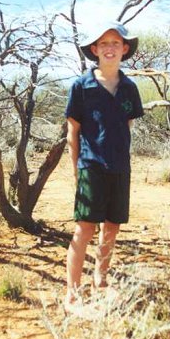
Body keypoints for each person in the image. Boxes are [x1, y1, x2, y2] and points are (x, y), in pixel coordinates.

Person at [64, 20, 144, 308]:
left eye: (115, 43)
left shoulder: (130, 88)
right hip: (91, 166)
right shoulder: (81, 86)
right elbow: (73, 131)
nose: (110, 49)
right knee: (84, 228)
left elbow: (127, 125)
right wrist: (76, 170)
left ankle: (102, 279)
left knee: (111, 227)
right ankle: (72, 291)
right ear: (94, 49)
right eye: (104, 44)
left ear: (124, 49)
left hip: (120, 167)